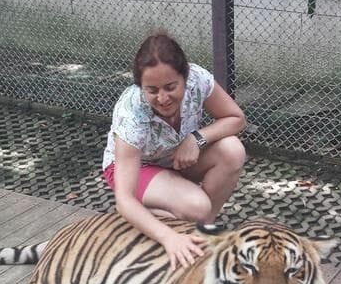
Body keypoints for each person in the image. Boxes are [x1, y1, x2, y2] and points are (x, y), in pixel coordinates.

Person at [102, 32, 246, 270]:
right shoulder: (131, 111)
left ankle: (200, 229)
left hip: (175, 159)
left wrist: (196, 138)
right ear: (140, 86)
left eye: (171, 87)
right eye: (152, 90)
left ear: (185, 77)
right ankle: (155, 225)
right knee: (197, 206)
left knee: (233, 150)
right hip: (138, 168)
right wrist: (168, 238)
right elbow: (123, 199)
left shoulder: (198, 79)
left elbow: (236, 119)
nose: (162, 98)